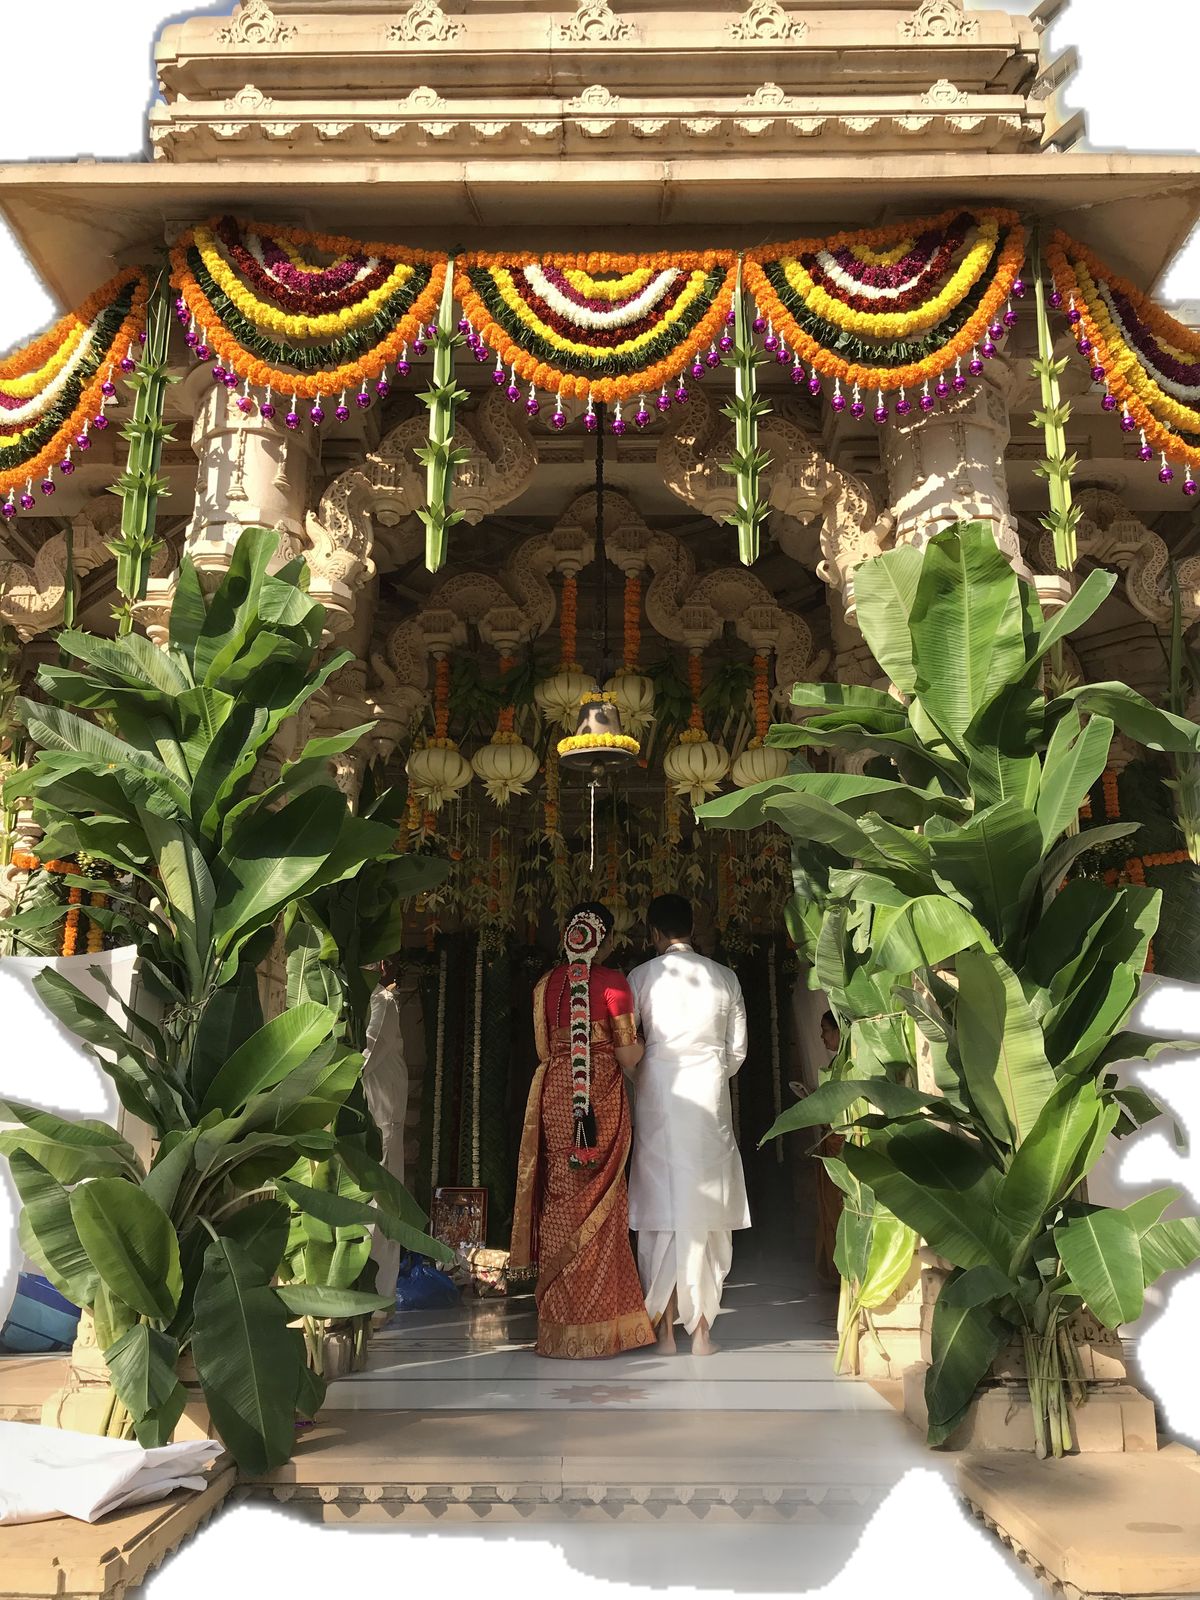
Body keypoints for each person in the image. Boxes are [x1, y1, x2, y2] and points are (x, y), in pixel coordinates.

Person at [510, 903, 655, 1359]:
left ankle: (558, 1324)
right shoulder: (614, 983)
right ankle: (600, 1323)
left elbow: (542, 1048)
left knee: (560, 1195)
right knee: (603, 1205)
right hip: (602, 1098)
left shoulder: (544, 987)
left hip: (557, 1096)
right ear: (605, 941)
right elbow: (630, 1057)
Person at [627, 894, 749, 1357]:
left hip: (659, 1094)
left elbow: (629, 1047)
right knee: (706, 1215)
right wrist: (710, 1072)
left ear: (654, 933)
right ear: (693, 928)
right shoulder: (726, 978)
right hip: (708, 1097)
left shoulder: (640, 977)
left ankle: (663, 1334)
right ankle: (702, 1333)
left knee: (661, 1212)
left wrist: (649, 1077)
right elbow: (736, 1053)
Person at [361, 959, 410, 1314]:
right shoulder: (364, 1001)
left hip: (381, 1116)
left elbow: (365, 1057)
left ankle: (378, 1300)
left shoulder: (381, 1002)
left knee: (381, 1206)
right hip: (371, 1115)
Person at [814, 1009, 845, 1286]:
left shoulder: (847, 1067)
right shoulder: (836, 1065)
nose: (822, 1036)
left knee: (841, 1207)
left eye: (825, 1029)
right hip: (832, 1143)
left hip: (843, 1146)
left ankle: (843, 1273)